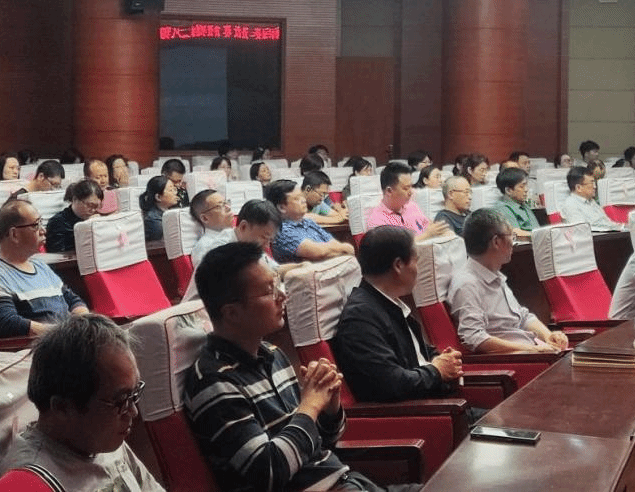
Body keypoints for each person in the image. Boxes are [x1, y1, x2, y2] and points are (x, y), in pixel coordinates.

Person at [184, 242, 415, 492]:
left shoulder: (273, 354)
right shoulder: (214, 381)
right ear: (231, 313)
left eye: (277, 284)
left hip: (347, 481)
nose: (282, 295)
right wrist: (310, 405)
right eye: (269, 290)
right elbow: (270, 471)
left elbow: (321, 442)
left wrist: (329, 406)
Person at [0, 314, 165, 491]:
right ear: (62, 408)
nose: (133, 411)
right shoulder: (29, 482)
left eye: (134, 394)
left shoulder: (101, 439)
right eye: (121, 400)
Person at [332, 226, 465, 402]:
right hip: (420, 412)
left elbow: (415, 352)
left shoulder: (387, 302)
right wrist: (436, 371)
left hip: (433, 400)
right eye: (416, 261)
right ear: (398, 265)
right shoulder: (359, 317)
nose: (418, 269)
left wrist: (441, 358)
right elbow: (390, 383)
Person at [448, 209, 567, 353]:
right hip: (516, 359)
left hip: (532, 351)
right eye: (512, 236)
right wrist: (531, 350)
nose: (513, 242)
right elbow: (474, 338)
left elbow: (522, 317)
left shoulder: (494, 274)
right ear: (496, 242)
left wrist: (549, 336)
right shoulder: (467, 284)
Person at [0, 200, 88, 338]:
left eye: (41, 223)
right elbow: (6, 323)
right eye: (36, 225)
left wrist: (85, 323)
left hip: (68, 338)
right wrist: (62, 333)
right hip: (45, 344)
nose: (43, 231)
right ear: (14, 234)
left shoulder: (40, 266)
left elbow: (72, 300)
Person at [184, 199, 297, 300]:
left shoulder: (248, 245)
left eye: (270, 240)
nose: (267, 246)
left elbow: (275, 269)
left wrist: (302, 266)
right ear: (243, 226)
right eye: (264, 237)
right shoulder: (222, 248)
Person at [265, 180, 354, 263]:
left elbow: (334, 243)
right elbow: (319, 253)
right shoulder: (282, 231)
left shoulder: (308, 222)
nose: (304, 200)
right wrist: (343, 249)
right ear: (282, 207)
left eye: (302, 196)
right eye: (297, 198)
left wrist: (342, 249)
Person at [364, 162, 449, 240]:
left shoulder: (412, 206)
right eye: (406, 188)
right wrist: (427, 235)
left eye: (411, 186)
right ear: (389, 191)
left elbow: (429, 226)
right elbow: (397, 249)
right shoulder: (377, 221)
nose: (411, 192)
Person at [45, 180, 103, 253]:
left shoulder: (97, 220)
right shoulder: (57, 222)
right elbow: (57, 254)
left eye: (97, 206)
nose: (93, 210)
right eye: (90, 205)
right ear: (75, 199)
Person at [559, 166, 620, 231]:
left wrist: (621, 228)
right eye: (591, 183)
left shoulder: (591, 202)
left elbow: (607, 223)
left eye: (594, 183)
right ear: (579, 188)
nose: (595, 186)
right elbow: (582, 230)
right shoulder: (570, 205)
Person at [492, 166, 539, 238]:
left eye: (526, 185)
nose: (526, 190)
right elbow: (515, 233)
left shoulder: (523, 204)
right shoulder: (503, 208)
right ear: (508, 190)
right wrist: (540, 236)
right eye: (522, 186)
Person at [190, 188, 235, 261]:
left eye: (226, 203)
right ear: (205, 218)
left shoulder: (238, 234)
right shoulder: (204, 247)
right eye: (220, 206)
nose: (228, 208)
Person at [138, 175, 178, 241]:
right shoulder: (153, 221)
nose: (175, 193)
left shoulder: (170, 211)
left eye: (174, 189)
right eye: (171, 190)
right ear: (158, 197)